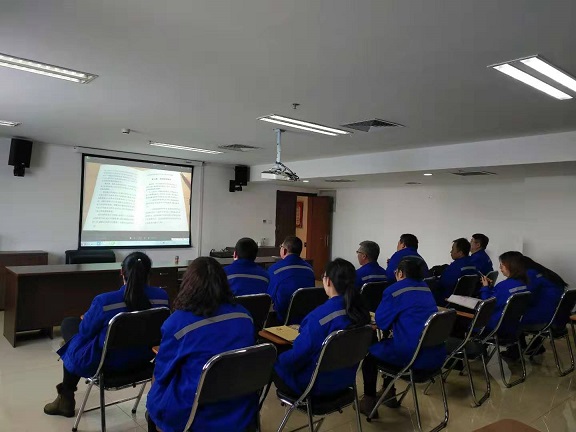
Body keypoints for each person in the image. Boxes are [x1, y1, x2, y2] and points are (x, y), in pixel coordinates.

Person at [44, 252, 169, 418]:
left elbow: (86, 331)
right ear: (149, 274)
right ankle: (66, 395)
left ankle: (66, 397)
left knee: (70, 328)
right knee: (78, 337)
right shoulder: (162, 298)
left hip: (107, 364)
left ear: (121, 272)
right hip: (144, 359)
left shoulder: (104, 301)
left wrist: (87, 319)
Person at [146, 257, 256, 432]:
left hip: (194, 413)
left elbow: (162, 373)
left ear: (188, 285)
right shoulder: (245, 316)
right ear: (223, 283)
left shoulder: (177, 324)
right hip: (240, 408)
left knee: (155, 398)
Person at [359, 258, 444, 417]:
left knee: (371, 356)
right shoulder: (426, 288)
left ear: (400, 273)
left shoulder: (395, 290)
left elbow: (381, 322)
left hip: (413, 357)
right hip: (435, 355)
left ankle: (369, 402)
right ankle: (389, 394)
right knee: (388, 344)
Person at [273, 258, 370, 396]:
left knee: (276, 364)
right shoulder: (361, 313)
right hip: (346, 380)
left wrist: (277, 360)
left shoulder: (319, 318)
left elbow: (298, 356)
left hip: (315, 385)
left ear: (328, 281)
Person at [503, 255, 568, 359]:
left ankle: (514, 351)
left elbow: (525, 296)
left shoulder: (530, 274)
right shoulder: (543, 272)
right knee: (521, 311)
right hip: (558, 317)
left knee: (511, 316)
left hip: (548, 318)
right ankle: (534, 346)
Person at [267, 236, 315, 323]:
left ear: (284, 250)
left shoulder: (275, 270)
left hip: (282, 319)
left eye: (281, 246)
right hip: (305, 317)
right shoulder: (309, 269)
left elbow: (269, 297)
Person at [479, 251, 529, 335]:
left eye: (502, 264)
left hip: (494, 325)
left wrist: (485, 287)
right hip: (513, 327)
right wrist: (490, 287)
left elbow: (487, 304)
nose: (500, 267)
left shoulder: (503, 286)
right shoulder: (524, 284)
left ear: (510, 266)